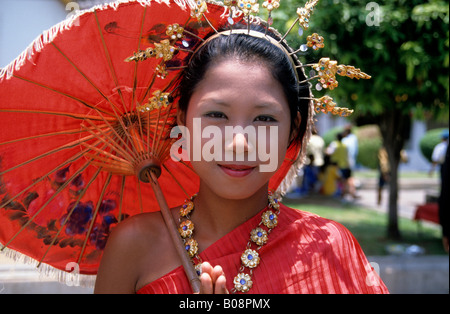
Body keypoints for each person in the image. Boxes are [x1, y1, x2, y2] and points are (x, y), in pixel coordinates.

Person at [94, 23, 387, 294]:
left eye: (264, 118)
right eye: (216, 115)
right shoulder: (133, 245)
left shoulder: (326, 245)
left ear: (293, 129)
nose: (239, 143)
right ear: (183, 121)